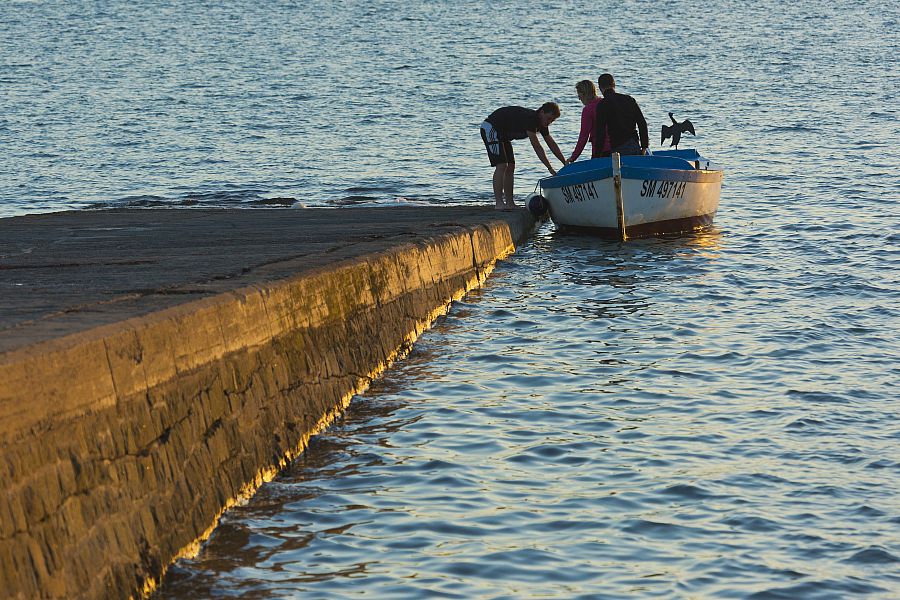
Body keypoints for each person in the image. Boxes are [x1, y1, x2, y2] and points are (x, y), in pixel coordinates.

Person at [480, 103, 567, 209]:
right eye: (548, 118)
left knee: (510, 166)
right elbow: (537, 146)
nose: (549, 122)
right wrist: (550, 168)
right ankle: (499, 203)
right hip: (490, 128)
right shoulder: (531, 119)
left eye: (552, 121)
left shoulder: (542, 124)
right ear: (542, 112)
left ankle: (510, 203)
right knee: (502, 165)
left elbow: (551, 144)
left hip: (503, 134)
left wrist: (565, 163)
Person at [592, 73, 649, 157]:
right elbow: (642, 123)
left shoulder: (602, 104)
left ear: (600, 88)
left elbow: (601, 133)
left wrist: (596, 156)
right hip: (634, 144)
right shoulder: (629, 99)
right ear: (614, 84)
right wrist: (644, 146)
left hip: (618, 147)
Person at [568, 80, 610, 162]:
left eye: (579, 95)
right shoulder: (604, 103)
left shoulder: (588, 110)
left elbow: (583, 136)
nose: (579, 98)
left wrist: (573, 158)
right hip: (616, 148)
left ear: (584, 94)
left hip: (600, 150)